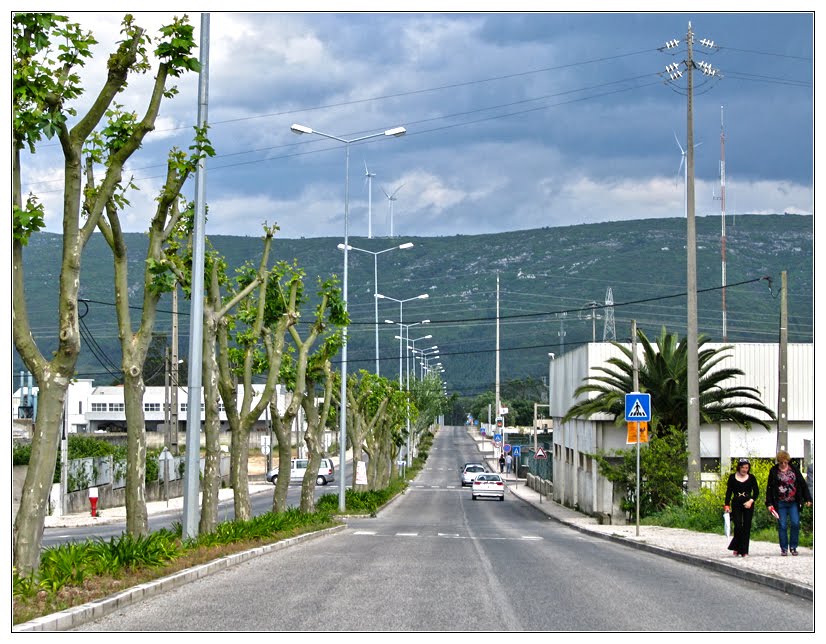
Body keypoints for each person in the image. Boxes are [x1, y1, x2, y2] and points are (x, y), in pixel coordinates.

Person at [765, 450, 813, 556]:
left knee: (795, 523)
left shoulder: (794, 469)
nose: (783, 464)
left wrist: (808, 499)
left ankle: (793, 546)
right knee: (782, 525)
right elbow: (769, 488)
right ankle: (784, 548)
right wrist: (769, 503)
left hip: (793, 502)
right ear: (778, 462)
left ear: (788, 461)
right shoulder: (774, 471)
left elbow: (802, 484)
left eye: (785, 462)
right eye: (781, 462)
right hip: (780, 503)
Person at [724, 458, 759, 557]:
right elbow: (728, 492)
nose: (744, 470)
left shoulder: (751, 478)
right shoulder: (732, 477)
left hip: (748, 504)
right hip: (736, 504)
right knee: (738, 526)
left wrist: (751, 501)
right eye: (743, 467)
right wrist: (726, 505)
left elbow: (756, 492)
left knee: (746, 527)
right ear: (739, 467)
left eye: (746, 468)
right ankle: (736, 547)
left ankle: (744, 551)